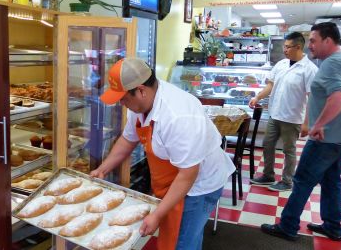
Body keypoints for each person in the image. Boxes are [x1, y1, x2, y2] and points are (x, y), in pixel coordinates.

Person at [90, 58, 235, 250]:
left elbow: (188, 174)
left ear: (141, 90)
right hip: (175, 180)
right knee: (173, 238)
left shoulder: (178, 117)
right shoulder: (141, 103)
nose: (121, 103)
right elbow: (127, 140)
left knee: (183, 243)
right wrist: (103, 169)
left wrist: (157, 214)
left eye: (123, 98)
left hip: (198, 186)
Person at [261, 22, 341, 241]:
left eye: (313, 41)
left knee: (303, 179)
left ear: (328, 40)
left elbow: (339, 97)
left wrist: (319, 124)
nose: (310, 46)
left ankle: (288, 226)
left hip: (328, 138)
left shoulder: (331, 64)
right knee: (332, 180)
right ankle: (333, 226)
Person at [249, 32, 318, 192]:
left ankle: (287, 181)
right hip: (275, 114)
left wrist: (307, 123)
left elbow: (312, 99)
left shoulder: (309, 69)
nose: (284, 50)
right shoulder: (281, 64)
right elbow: (270, 85)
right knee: (268, 144)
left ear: (298, 47)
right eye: (284, 46)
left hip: (292, 117)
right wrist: (258, 97)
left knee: (289, 150)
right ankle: (268, 175)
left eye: (287, 47)